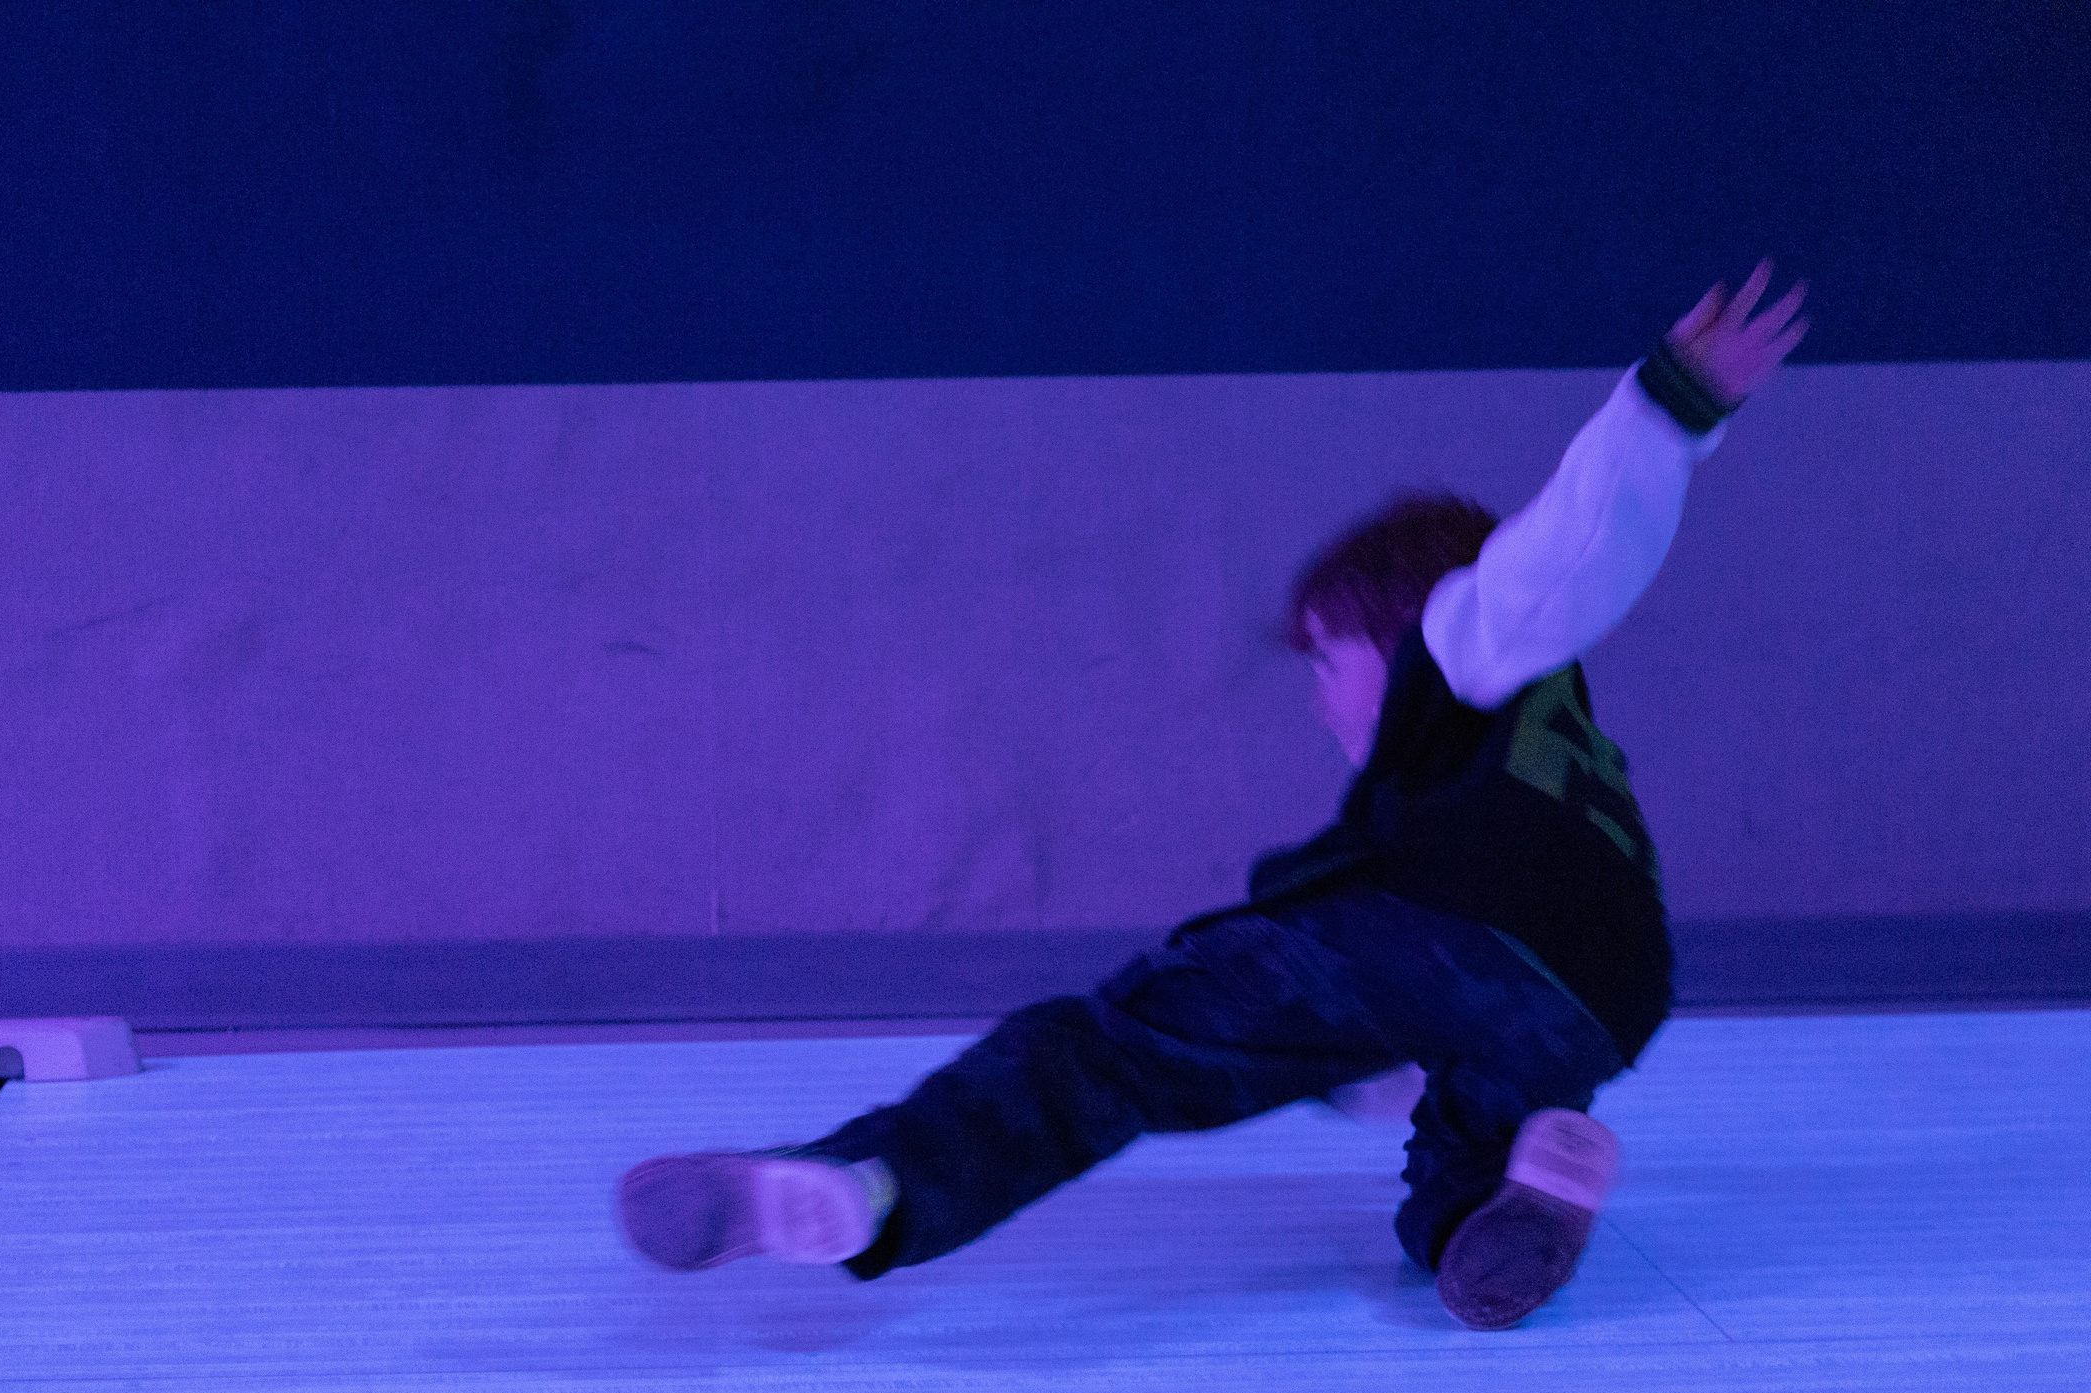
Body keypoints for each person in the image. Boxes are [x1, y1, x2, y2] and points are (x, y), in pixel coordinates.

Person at [617, 264, 1810, 1330]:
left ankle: (869, 1181)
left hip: (1454, 939)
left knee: (1109, 1051)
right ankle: (1518, 1197)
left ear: (1398, 620)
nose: (1321, 701)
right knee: (1456, 1157)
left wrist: (1666, 409)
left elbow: (1570, 551)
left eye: (1326, 660)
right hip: (1605, 998)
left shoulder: (1465, 632)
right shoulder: (1554, 723)